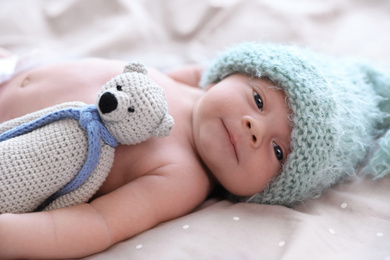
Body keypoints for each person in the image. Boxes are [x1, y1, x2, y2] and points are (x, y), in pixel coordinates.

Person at [0, 42, 389, 259]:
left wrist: (11, 236)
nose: (255, 128)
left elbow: (97, 223)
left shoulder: (181, 177)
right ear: (231, 71)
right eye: (257, 99)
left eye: (278, 152)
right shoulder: (191, 81)